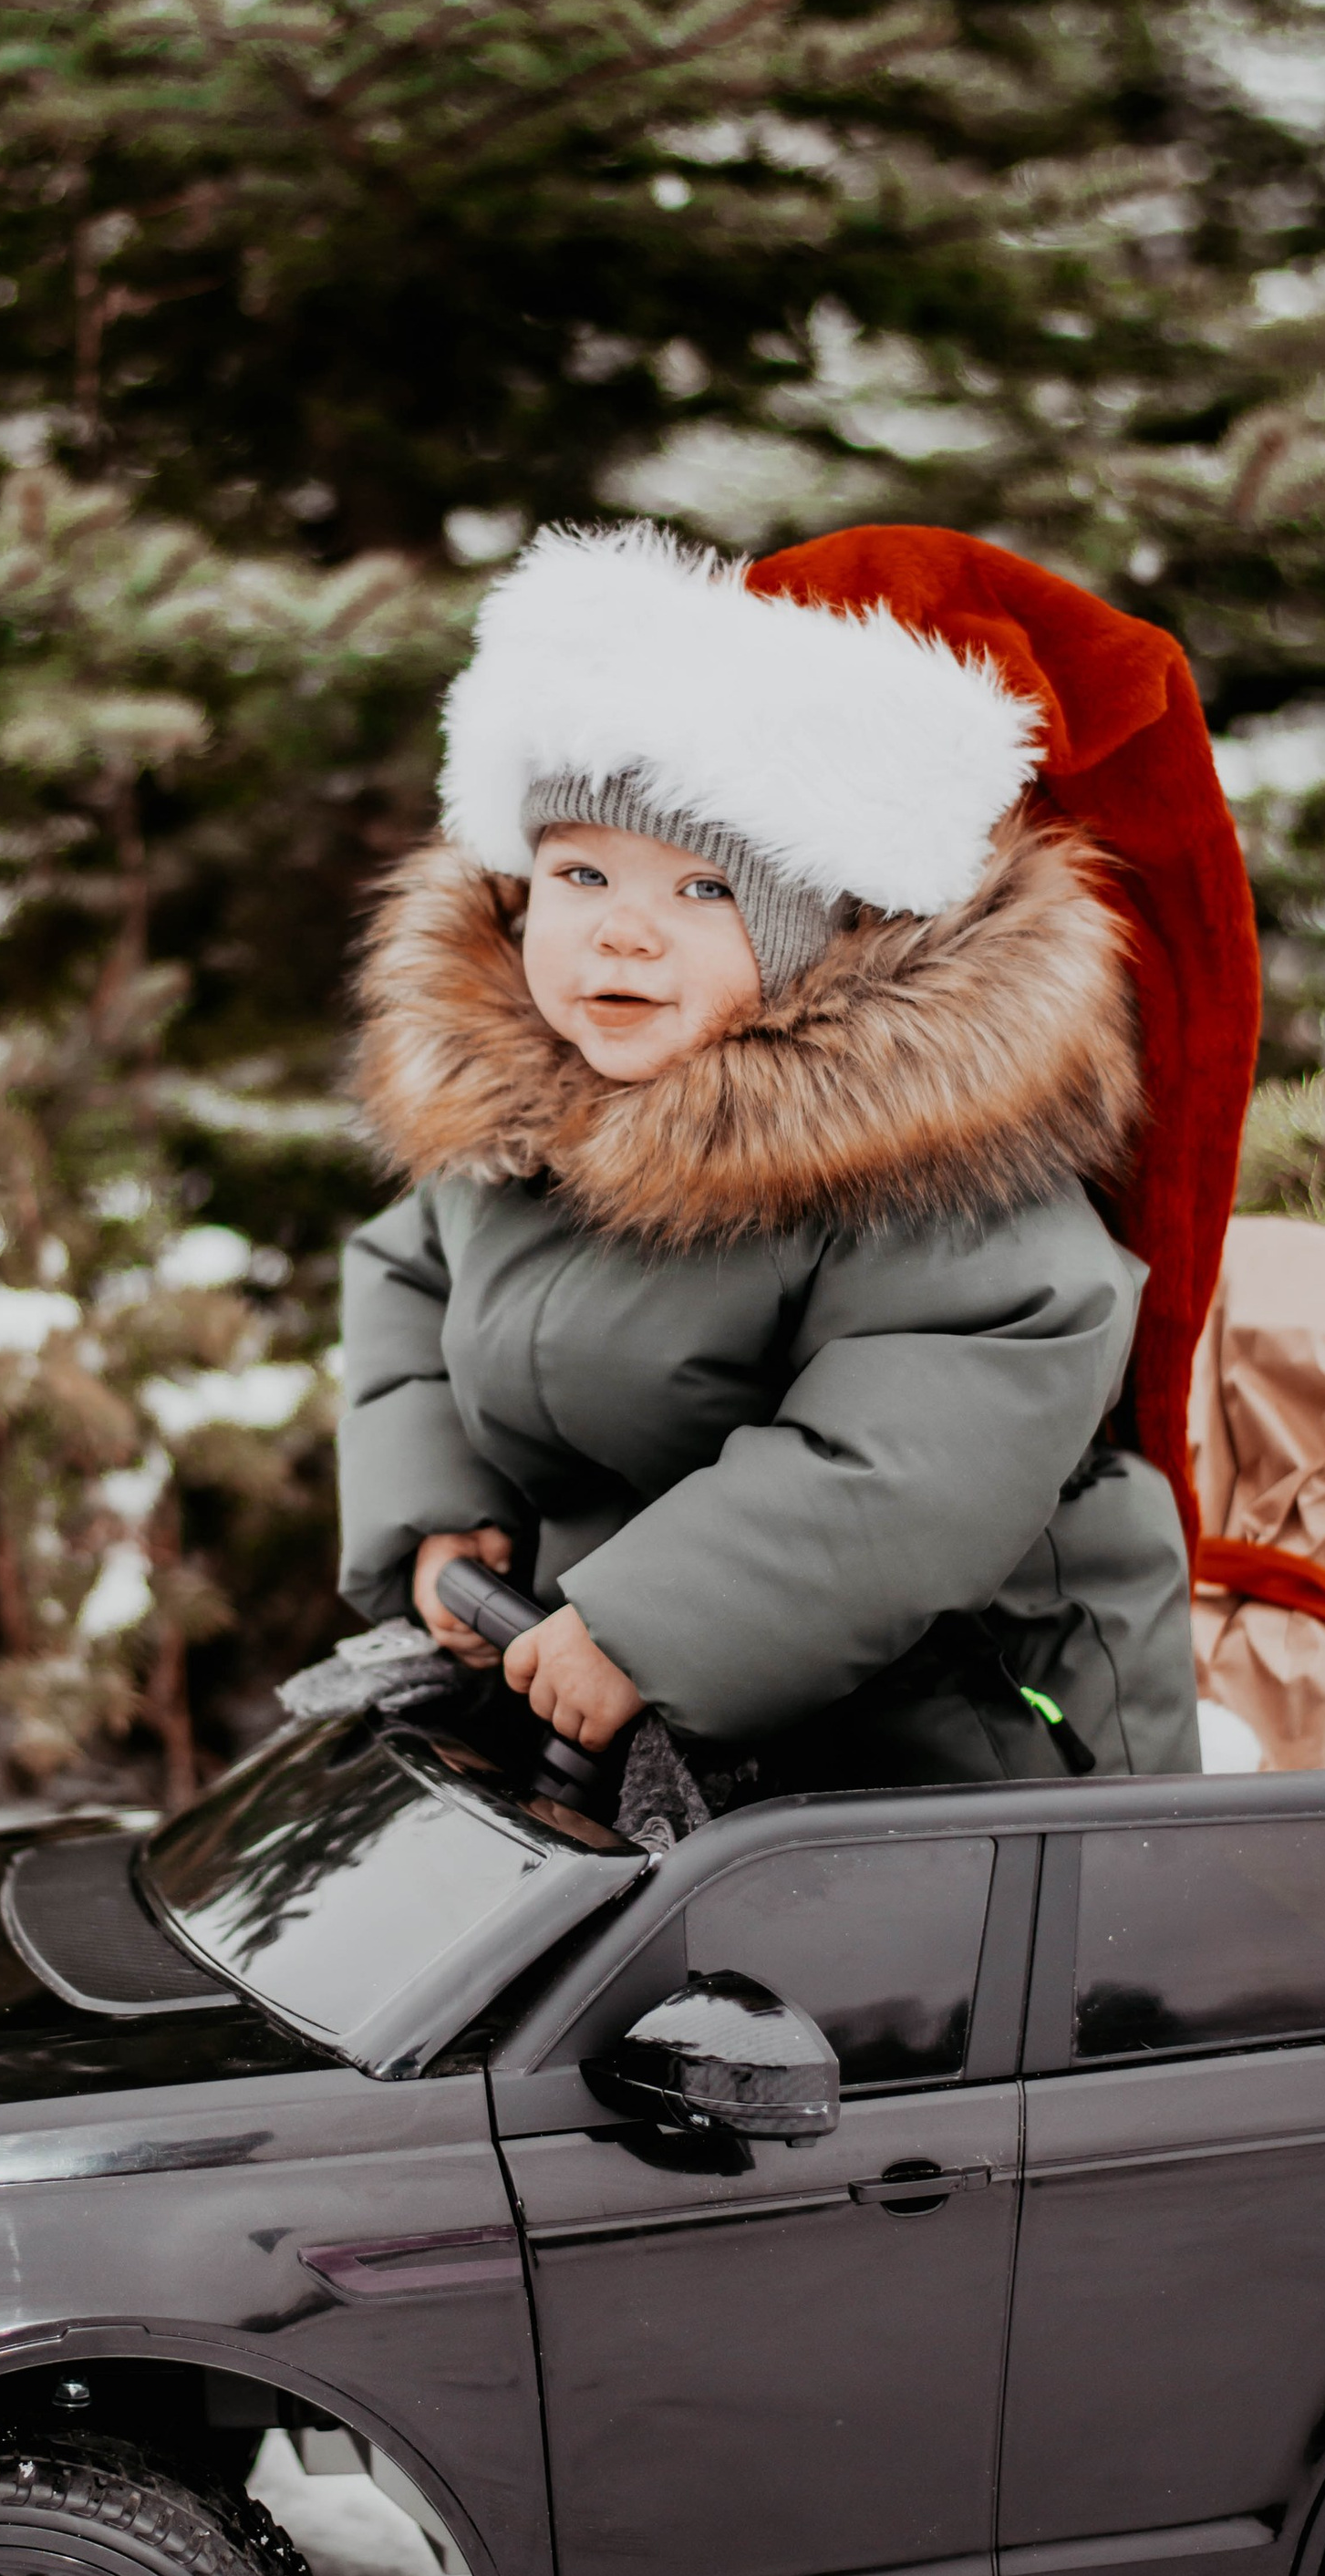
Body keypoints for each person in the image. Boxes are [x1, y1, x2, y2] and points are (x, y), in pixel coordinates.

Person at [335, 516, 1259, 1789]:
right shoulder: (536, 1113)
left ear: (825, 928)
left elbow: (903, 1464)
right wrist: (443, 1515)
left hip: (963, 1756)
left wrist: (648, 1629)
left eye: (704, 890)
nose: (622, 935)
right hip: (644, 1729)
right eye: (583, 875)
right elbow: (410, 1275)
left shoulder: (933, 1168)